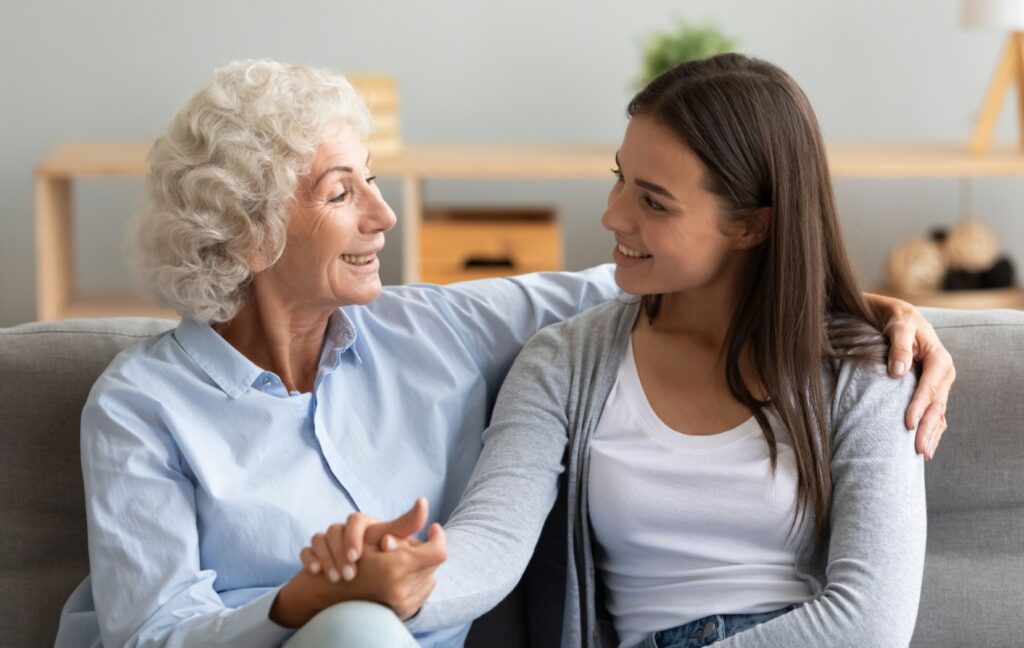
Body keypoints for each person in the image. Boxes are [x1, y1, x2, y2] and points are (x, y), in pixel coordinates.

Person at [54, 59, 951, 647]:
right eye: (343, 191)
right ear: (246, 231)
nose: (383, 214)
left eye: (373, 178)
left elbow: (643, 277)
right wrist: (337, 598)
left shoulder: (439, 329)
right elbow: (155, 636)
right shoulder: (144, 406)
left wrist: (854, 307)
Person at [313, 55, 936, 647]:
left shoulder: (869, 370)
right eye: (620, 180)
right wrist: (405, 579)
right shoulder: (565, 362)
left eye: (653, 201)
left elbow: (869, 622)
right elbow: (493, 540)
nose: (612, 216)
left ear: (751, 225)